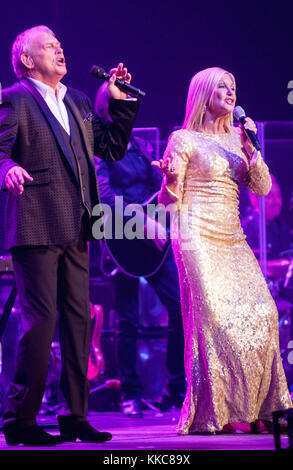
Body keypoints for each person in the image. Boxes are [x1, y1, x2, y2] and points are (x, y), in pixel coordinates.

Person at [0, 25, 139, 446]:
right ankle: (20, 419)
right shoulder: (15, 98)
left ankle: (74, 415)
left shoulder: (77, 100)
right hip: (36, 223)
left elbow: (112, 149)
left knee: (79, 322)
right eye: (49, 46)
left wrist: (120, 104)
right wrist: (8, 170)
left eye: (60, 45)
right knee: (41, 323)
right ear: (28, 60)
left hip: (78, 226)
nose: (59, 50)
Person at [152, 67, 292, 434]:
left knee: (263, 312)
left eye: (234, 87)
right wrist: (168, 181)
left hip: (233, 238)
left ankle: (262, 407)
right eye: (222, 86)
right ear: (202, 93)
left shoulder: (239, 138)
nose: (230, 92)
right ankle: (216, 411)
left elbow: (261, 188)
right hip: (196, 234)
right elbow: (169, 203)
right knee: (213, 319)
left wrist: (252, 150)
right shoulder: (183, 139)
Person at [93, 83, 186, 417]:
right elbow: (103, 200)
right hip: (121, 239)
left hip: (153, 241)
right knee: (127, 321)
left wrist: (169, 182)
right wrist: (141, 221)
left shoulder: (143, 146)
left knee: (180, 309)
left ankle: (175, 388)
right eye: (122, 102)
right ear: (109, 108)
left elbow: (156, 193)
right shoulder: (101, 147)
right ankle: (130, 393)